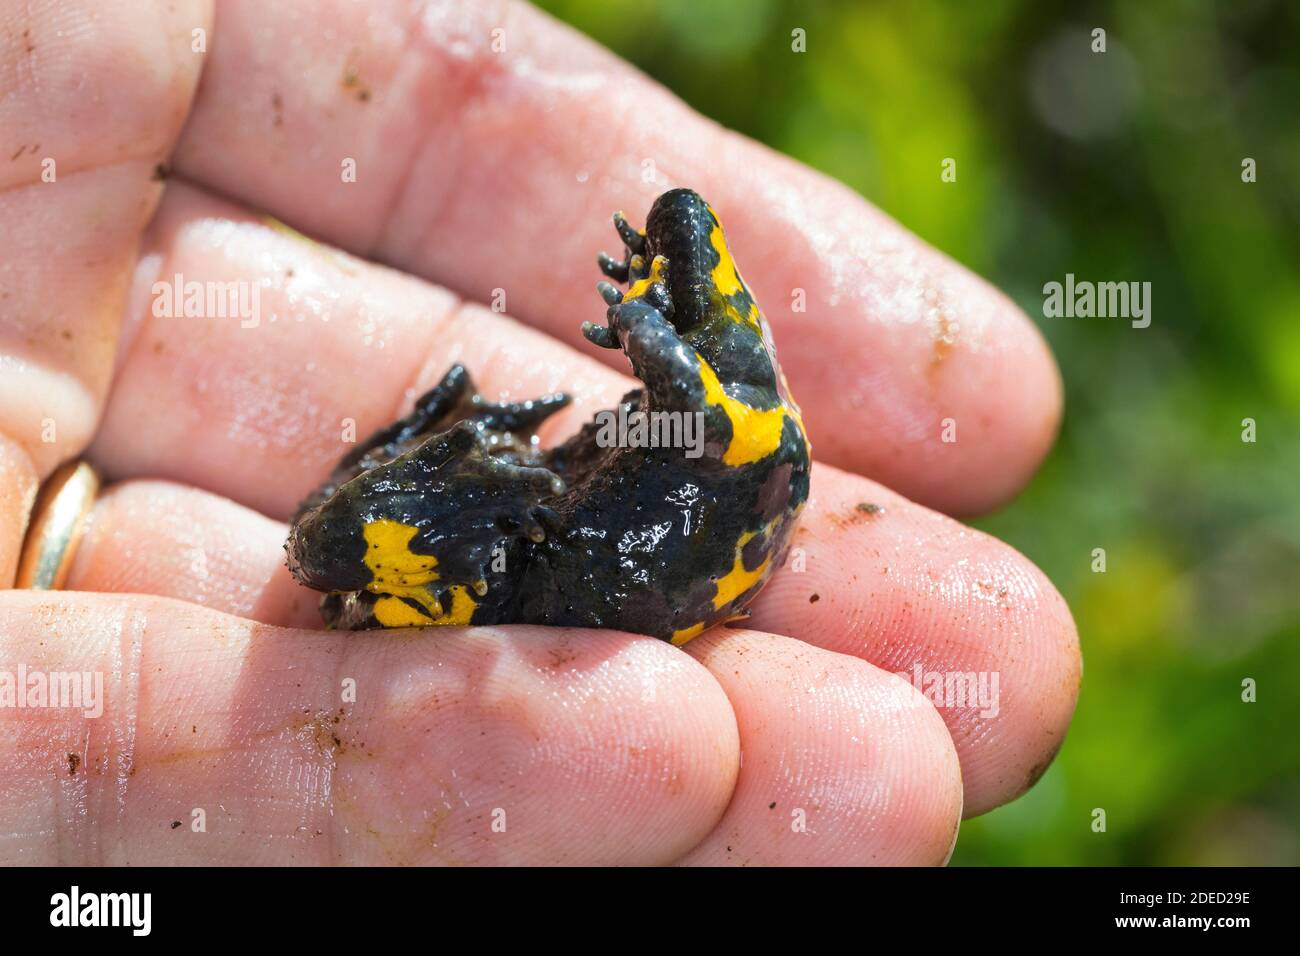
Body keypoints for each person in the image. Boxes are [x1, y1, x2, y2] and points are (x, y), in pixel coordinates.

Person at [0, 0, 1078, 865]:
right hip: (581, 552)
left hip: (601, 558)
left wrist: (643, 323)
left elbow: (706, 404)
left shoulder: (732, 419)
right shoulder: (698, 434)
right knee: (395, 532)